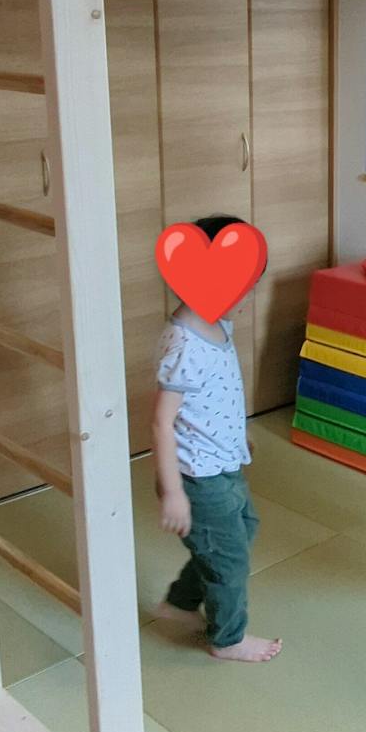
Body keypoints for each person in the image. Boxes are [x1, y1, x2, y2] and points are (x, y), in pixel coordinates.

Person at [151, 214, 281, 664]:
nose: (246, 296)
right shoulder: (184, 345)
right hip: (197, 478)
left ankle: (181, 602)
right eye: (242, 286)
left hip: (222, 463)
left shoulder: (217, 325)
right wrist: (173, 492)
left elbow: (217, 393)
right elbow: (161, 423)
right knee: (229, 561)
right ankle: (227, 639)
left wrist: (237, 430)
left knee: (240, 532)